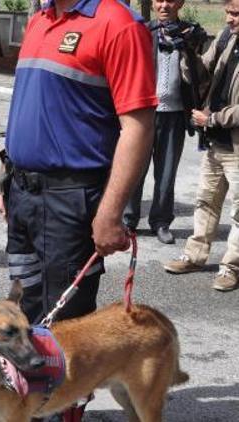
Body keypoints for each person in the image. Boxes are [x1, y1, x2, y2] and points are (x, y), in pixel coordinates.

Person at [0, 0, 156, 419]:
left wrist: (110, 211)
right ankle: (33, 404)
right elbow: (26, 106)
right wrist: (6, 174)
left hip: (70, 202)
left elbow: (138, 125)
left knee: (66, 330)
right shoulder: (39, 19)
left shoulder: (117, 24)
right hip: (23, 194)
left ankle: (62, 412)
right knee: (29, 312)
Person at [163, 0, 239, 292]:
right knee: (205, 201)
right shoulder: (224, 37)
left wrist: (214, 118)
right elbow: (200, 74)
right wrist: (188, 51)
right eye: (227, 12)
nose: (229, 19)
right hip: (215, 141)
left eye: (235, 14)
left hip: (232, 140)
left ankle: (231, 268)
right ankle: (195, 255)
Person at [124, 0, 200, 244]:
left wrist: (191, 44)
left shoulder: (190, 34)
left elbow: (202, 71)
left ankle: (161, 222)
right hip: (145, 112)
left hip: (175, 114)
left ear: (180, 3)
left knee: (166, 173)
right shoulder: (143, 31)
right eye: (158, 0)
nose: (164, 5)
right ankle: (128, 220)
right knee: (135, 168)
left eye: (170, 0)